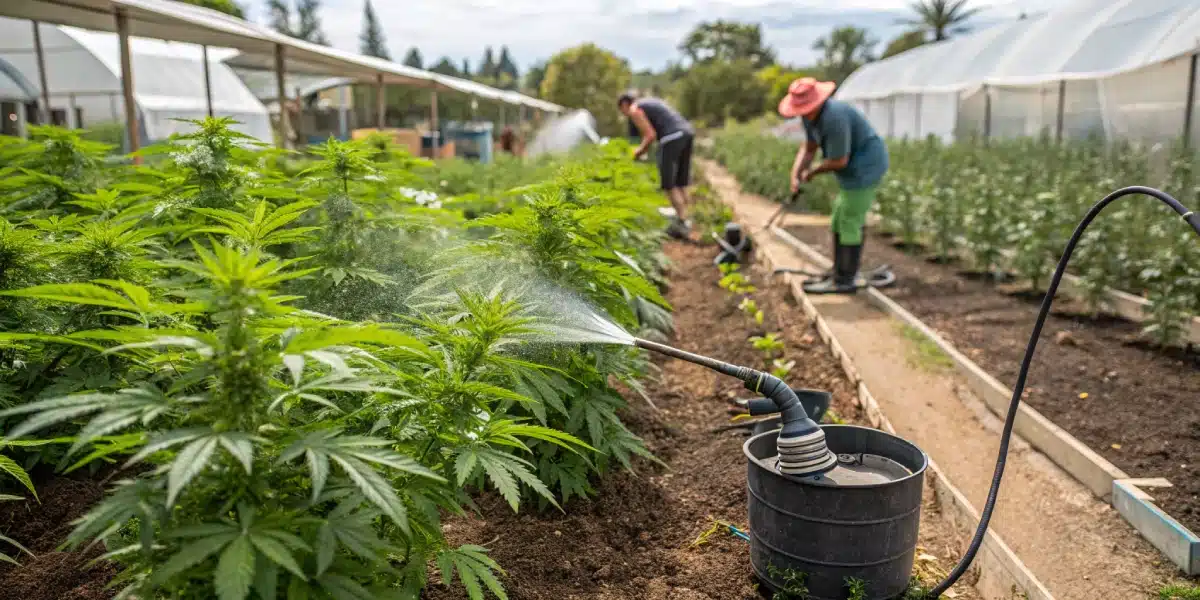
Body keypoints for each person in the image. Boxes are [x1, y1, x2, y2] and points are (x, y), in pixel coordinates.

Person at [779, 77, 889, 294]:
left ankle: (845, 279)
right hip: (850, 171)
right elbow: (809, 147)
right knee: (839, 217)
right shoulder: (810, 117)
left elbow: (839, 160)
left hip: (866, 168)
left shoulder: (834, 118)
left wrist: (812, 173)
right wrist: (796, 173)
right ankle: (839, 271)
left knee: (849, 219)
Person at [618, 92, 695, 239]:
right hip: (686, 132)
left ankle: (682, 224)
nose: (625, 115)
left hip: (671, 137)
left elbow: (650, 135)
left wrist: (638, 152)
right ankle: (689, 218)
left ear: (624, 105)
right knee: (680, 182)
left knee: (669, 184)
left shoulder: (635, 109)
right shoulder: (650, 102)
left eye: (622, 111)